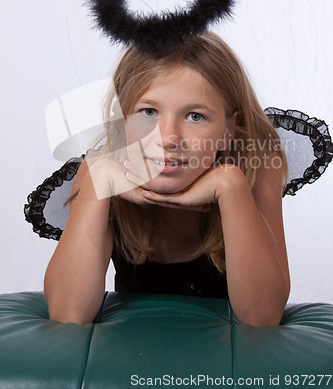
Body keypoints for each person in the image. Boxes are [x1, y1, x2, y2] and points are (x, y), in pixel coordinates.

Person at [43, 31, 290, 327]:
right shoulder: (100, 172)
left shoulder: (256, 169)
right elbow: (67, 314)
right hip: (132, 362)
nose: (169, 138)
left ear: (228, 129)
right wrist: (99, 180)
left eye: (195, 116)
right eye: (149, 111)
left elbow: (263, 318)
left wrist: (231, 186)